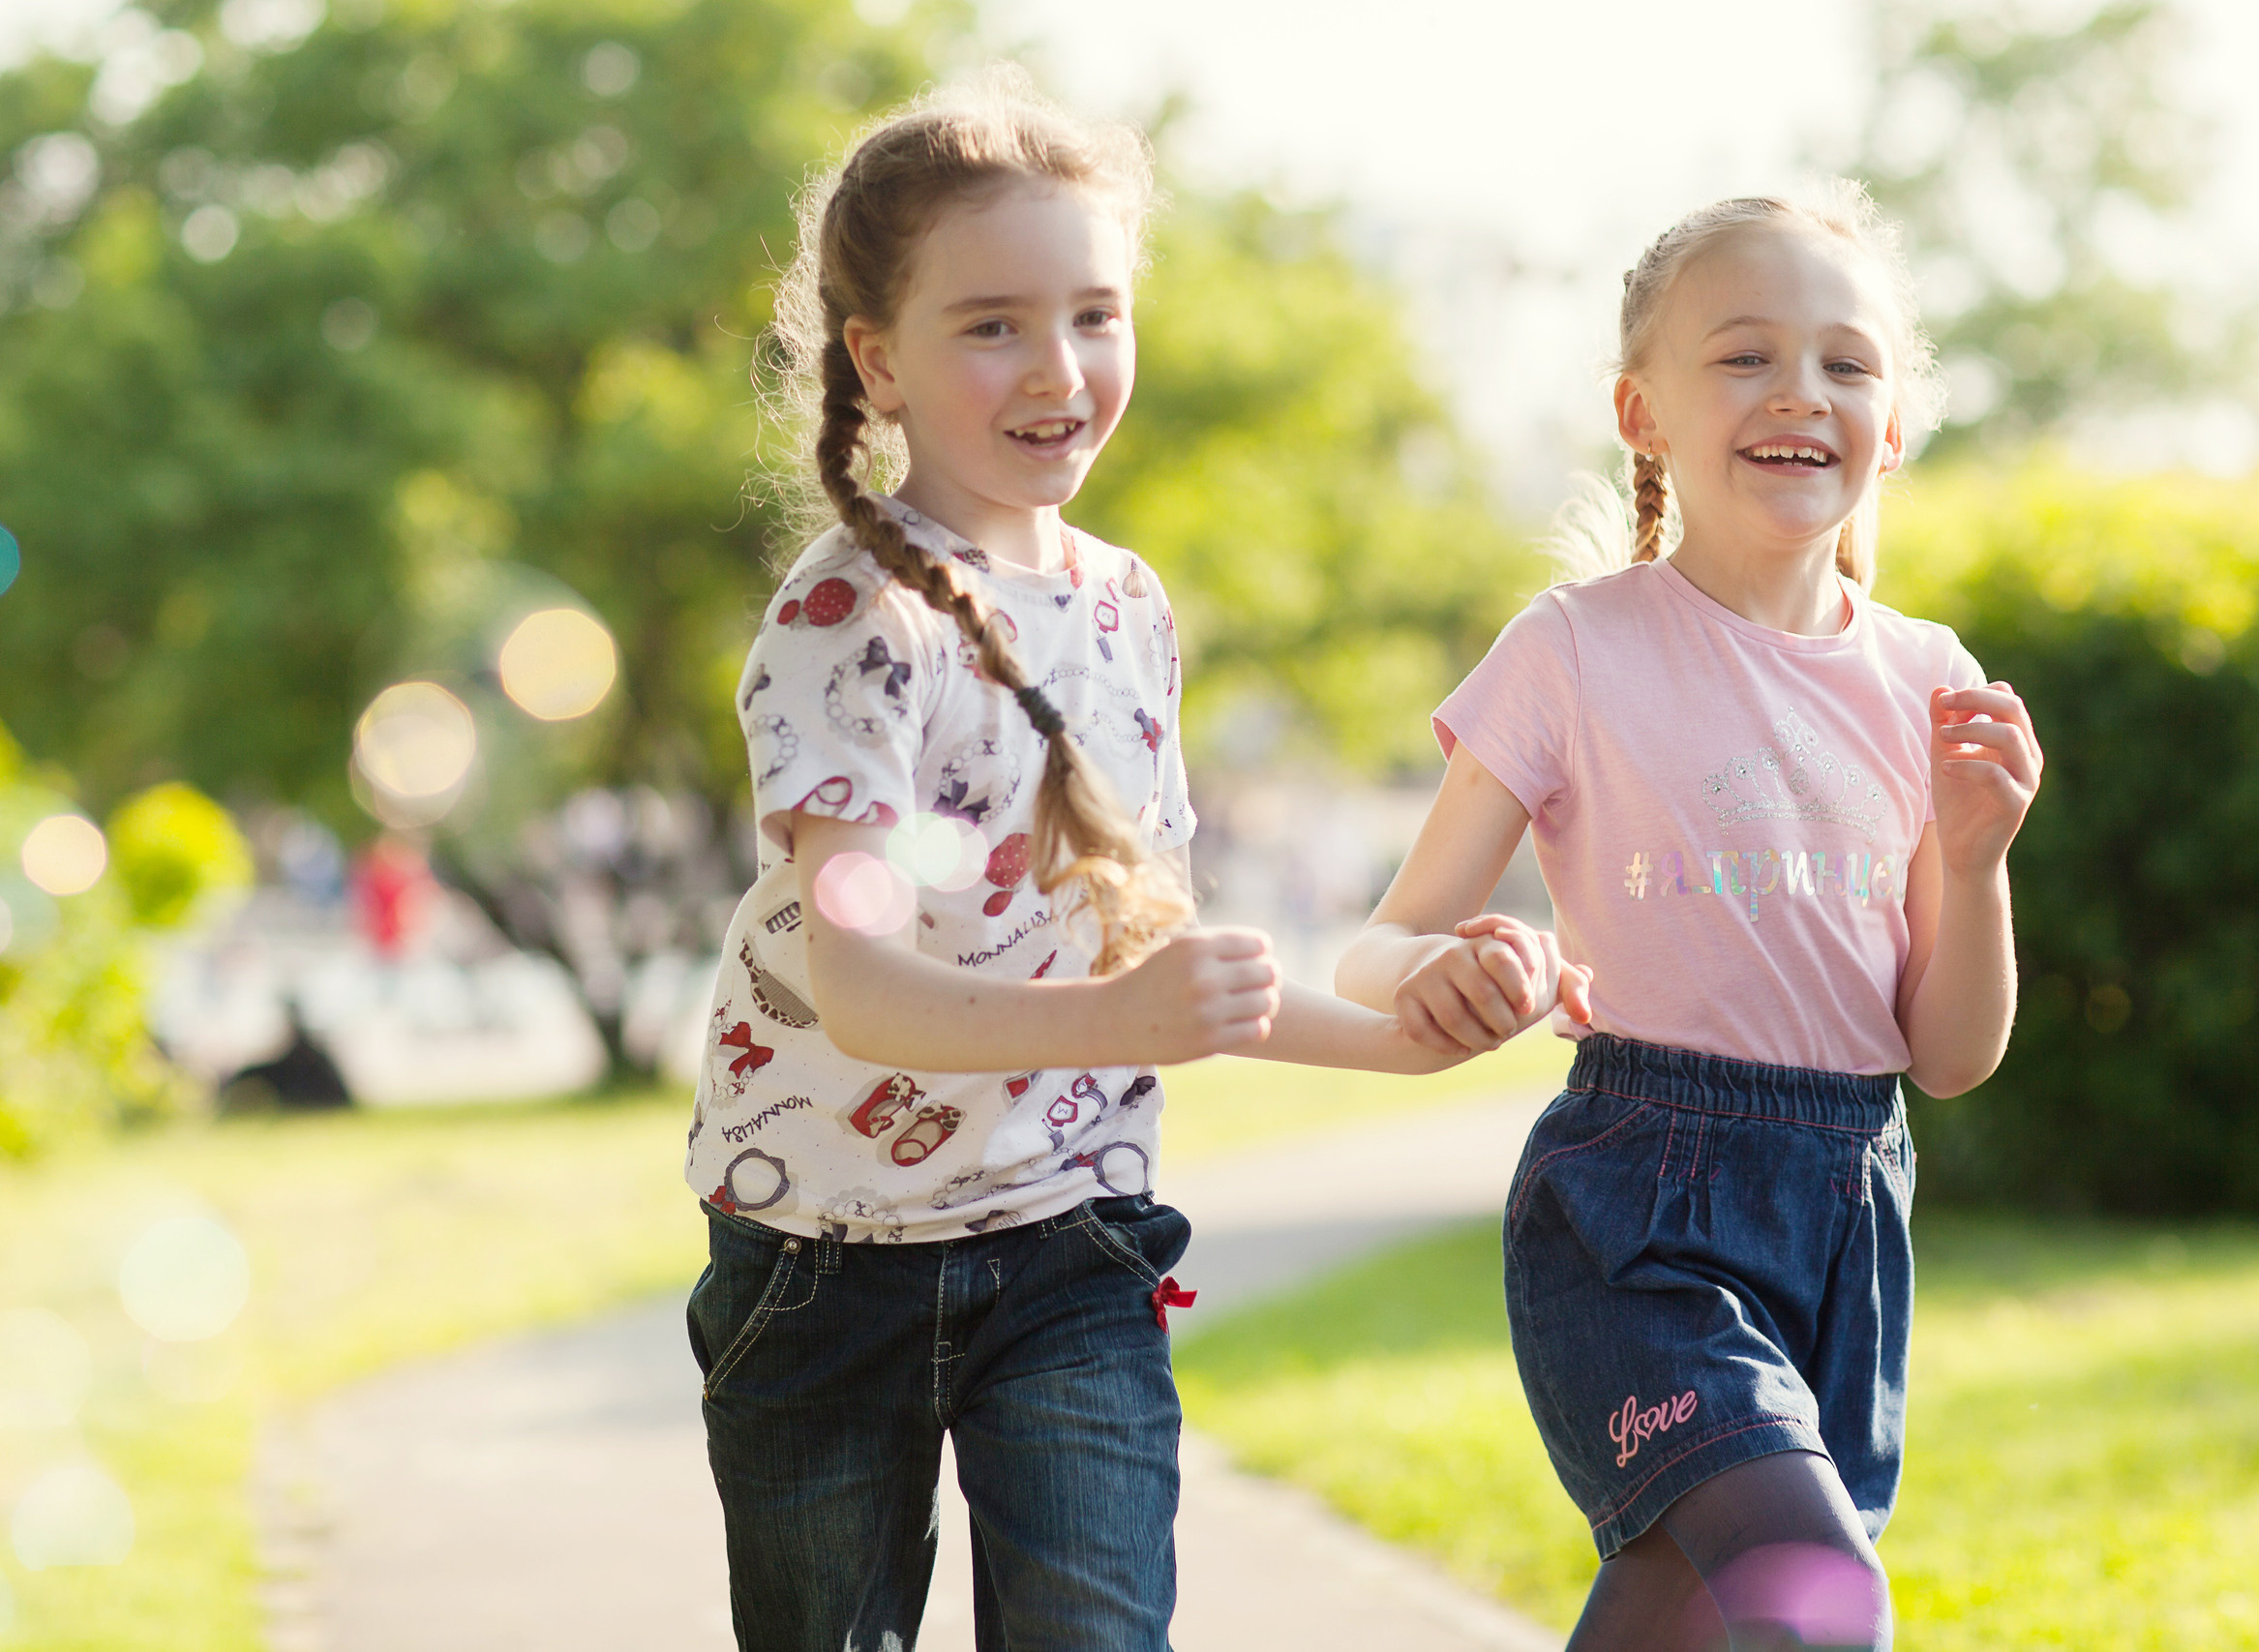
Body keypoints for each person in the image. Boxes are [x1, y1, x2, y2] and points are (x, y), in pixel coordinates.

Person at [682, 73, 1572, 1652]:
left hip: (1072, 1243)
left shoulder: (1126, 609)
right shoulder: (847, 625)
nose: (1061, 368)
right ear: (877, 362)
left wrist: (1405, 1039)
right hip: (822, 1264)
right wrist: (1129, 1022)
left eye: (1096, 315)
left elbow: (1147, 949)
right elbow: (866, 988)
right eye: (994, 325)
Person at [1335, 186, 2043, 1651]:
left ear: (1894, 424)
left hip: (1852, 1207)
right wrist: (1451, 963)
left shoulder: (1931, 676)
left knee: (1685, 1610)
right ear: (1639, 410)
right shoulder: (1573, 650)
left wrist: (1973, 865)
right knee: (1817, 1601)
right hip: (1639, 1209)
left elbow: (1950, 1055)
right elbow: (1377, 943)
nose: (1802, 393)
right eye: (1744, 357)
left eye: (1848, 364)